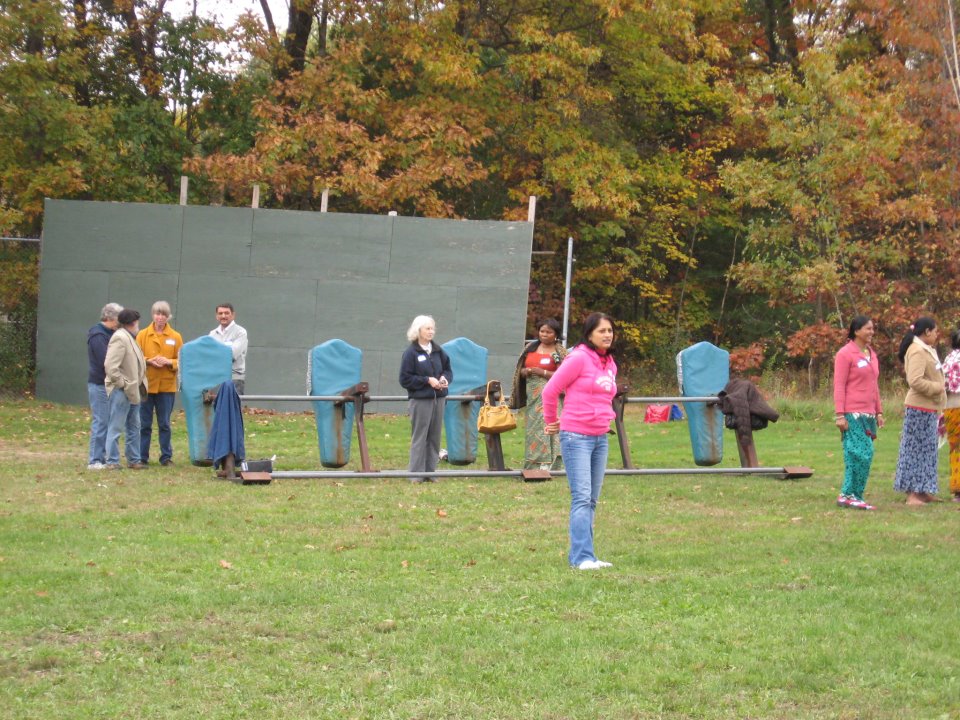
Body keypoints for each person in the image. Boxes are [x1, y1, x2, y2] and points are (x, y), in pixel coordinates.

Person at [542, 312, 618, 570]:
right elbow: (550, 390)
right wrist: (552, 421)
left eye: (610, 330)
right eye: (602, 331)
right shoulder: (578, 359)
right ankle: (581, 558)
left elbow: (605, 396)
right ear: (589, 334)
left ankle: (589, 555)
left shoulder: (609, 363)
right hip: (576, 437)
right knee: (582, 497)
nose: (607, 335)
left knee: (592, 499)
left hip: (600, 437)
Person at [833, 315, 884, 510]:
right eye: (868, 329)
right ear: (856, 331)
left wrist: (879, 412)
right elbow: (839, 385)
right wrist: (840, 414)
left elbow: (874, 385)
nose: (871, 332)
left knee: (856, 454)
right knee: (862, 453)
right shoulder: (845, 354)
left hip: (869, 414)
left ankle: (850, 495)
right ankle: (851, 494)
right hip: (852, 413)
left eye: (873, 329)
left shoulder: (871, 354)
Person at [893, 317, 946, 505]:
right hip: (919, 408)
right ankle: (913, 494)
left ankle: (924, 489)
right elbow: (914, 381)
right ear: (926, 332)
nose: (937, 334)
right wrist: (938, 387)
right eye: (935, 331)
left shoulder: (927, 349)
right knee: (915, 450)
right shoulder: (916, 351)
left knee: (928, 451)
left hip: (929, 407)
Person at [399, 315, 452, 483]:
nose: (431, 331)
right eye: (427, 328)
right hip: (421, 400)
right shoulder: (410, 353)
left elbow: (448, 370)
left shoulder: (439, 351)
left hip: (439, 399)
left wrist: (444, 379)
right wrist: (427, 380)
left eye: (432, 328)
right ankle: (415, 474)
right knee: (420, 436)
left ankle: (430, 472)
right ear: (418, 331)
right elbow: (405, 379)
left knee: (435, 436)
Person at [509, 318, 567, 470]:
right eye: (542, 331)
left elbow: (564, 374)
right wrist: (525, 371)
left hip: (552, 394)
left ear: (556, 334)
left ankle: (552, 463)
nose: (544, 334)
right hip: (532, 395)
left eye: (549, 332)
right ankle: (534, 463)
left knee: (550, 425)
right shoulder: (530, 347)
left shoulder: (559, 351)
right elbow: (519, 370)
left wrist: (543, 372)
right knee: (534, 427)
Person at [136, 301, 183, 466]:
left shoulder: (175, 336)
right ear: (152, 315)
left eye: (163, 314)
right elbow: (135, 357)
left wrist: (169, 362)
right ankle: (142, 457)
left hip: (166, 387)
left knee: (164, 423)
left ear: (168, 316)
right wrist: (149, 361)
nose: (160, 317)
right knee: (144, 424)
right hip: (146, 386)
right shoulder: (142, 334)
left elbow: (182, 361)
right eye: (157, 313)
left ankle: (166, 457)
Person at [104, 308, 148, 470]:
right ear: (133, 323)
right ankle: (112, 461)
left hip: (132, 390)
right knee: (116, 426)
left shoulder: (129, 337)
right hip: (122, 390)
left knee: (134, 426)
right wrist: (123, 384)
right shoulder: (120, 338)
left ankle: (134, 459)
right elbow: (110, 366)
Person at [86, 303, 123, 470]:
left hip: (109, 384)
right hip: (99, 384)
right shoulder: (98, 334)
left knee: (107, 421)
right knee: (101, 421)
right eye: (118, 319)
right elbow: (105, 361)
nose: (120, 323)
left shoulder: (111, 333)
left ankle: (104, 457)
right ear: (110, 318)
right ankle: (94, 460)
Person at [209, 303, 248, 394]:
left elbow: (231, 355)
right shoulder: (212, 334)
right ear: (216, 316)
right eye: (220, 313)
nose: (223, 316)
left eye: (226, 313)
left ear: (233, 315)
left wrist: (214, 353)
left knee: (232, 408)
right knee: (215, 408)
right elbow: (208, 357)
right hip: (215, 379)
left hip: (234, 379)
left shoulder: (240, 332)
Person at [940, 329, 960, 502]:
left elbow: (943, 384)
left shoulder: (949, 359)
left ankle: (957, 488)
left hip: (951, 407)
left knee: (956, 448)